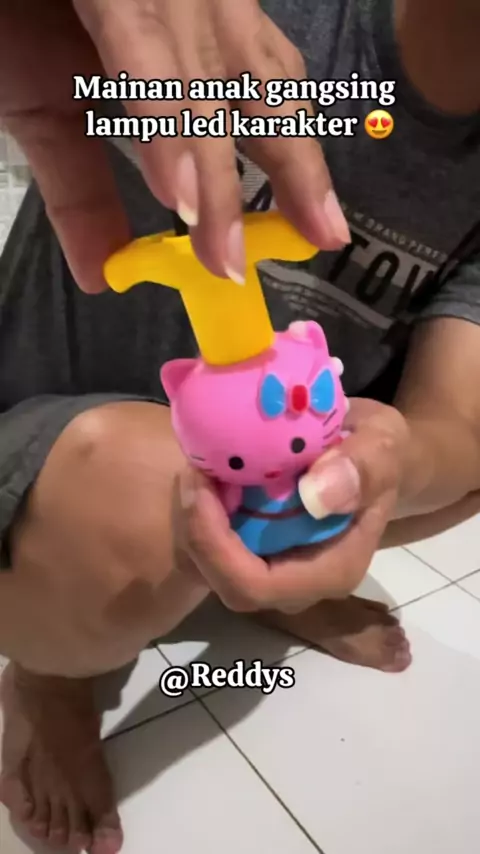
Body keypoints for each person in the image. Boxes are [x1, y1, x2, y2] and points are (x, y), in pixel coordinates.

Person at [0, 0, 479, 851]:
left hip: (286, 454)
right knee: (146, 483)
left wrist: (389, 463)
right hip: (56, 438)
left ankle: (277, 572)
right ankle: (49, 671)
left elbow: (457, 421)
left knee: (458, 470)